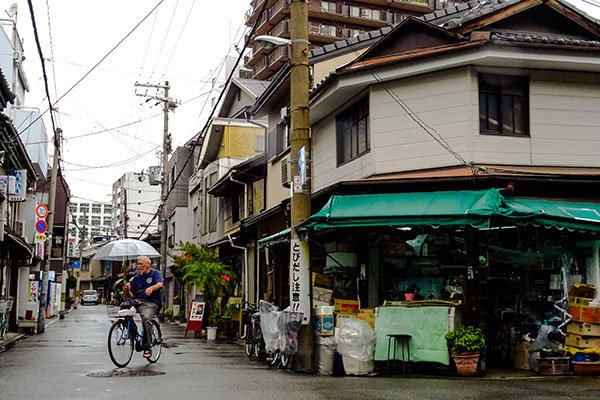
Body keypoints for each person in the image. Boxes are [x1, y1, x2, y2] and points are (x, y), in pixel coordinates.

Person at [124, 255, 163, 358]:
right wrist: (128, 289)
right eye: (138, 264)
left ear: (148, 264)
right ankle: (133, 333)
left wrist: (151, 288)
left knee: (146, 319)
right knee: (124, 308)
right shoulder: (136, 278)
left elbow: (160, 284)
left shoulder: (155, 273)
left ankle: (147, 347)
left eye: (141, 264)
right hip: (137, 301)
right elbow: (131, 295)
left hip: (151, 303)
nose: (139, 266)